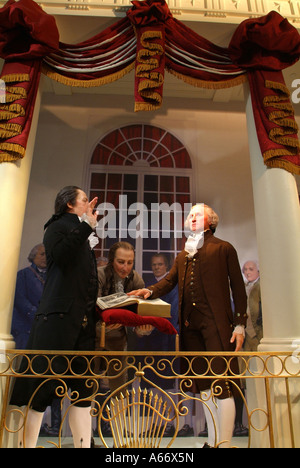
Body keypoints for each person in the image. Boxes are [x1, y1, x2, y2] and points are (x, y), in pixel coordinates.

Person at [129, 203, 247, 448]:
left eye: (198, 214)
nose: (192, 217)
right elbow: (169, 282)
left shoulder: (224, 248)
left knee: (220, 383)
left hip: (216, 324)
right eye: (190, 214)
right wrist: (148, 291)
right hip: (191, 327)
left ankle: (223, 444)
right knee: (204, 385)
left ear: (211, 220)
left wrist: (239, 325)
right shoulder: (183, 255)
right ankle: (212, 440)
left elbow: (238, 286)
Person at [10, 186, 99, 448]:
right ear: (70, 204)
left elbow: (85, 281)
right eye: (85, 199)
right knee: (43, 390)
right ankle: (27, 446)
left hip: (81, 323)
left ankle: (84, 445)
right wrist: (87, 226)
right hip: (58, 323)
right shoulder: (57, 226)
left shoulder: (79, 231)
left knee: (83, 393)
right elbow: (59, 255)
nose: (89, 203)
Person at [96, 241, 146, 393]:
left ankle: (118, 416)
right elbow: (91, 306)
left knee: (119, 390)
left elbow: (142, 310)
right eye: (121, 262)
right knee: (87, 388)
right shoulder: (99, 274)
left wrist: (143, 327)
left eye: (130, 263)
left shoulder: (135, 279)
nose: (125, 268)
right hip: (93, 337)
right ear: (112, 261)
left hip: (118, 340)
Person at [11, 244, 47, 350]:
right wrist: (35, 313)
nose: (45, 257)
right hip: (25, 326)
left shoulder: (52, 277)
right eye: (42, 254)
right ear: (33, 256)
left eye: (48, 255)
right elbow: (19, 299)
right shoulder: (22, 275)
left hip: (44, 326)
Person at [242, 261, 263, 351]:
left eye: (251, 269)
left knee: (262, 360)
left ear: (258, 271)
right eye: (245, 270)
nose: (248, 272)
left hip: (257, 331)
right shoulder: (244, 286)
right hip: (245, 332)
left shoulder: (261, 286)